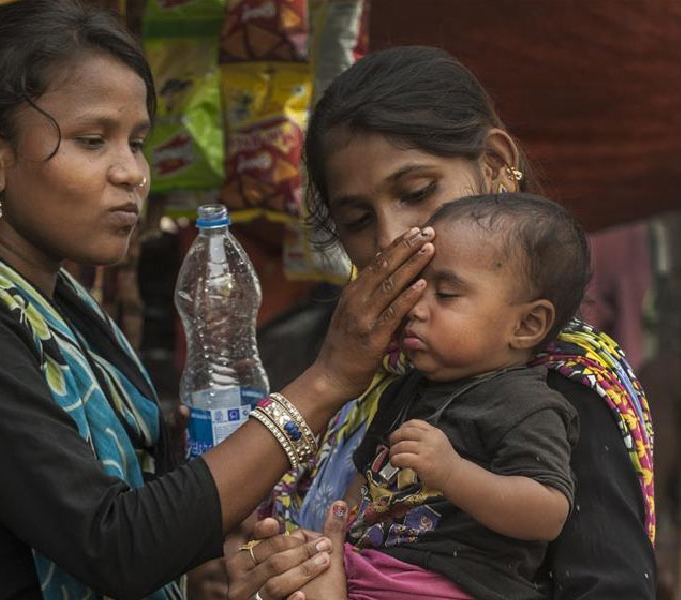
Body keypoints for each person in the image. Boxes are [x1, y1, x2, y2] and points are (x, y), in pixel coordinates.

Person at [0, 3, 435, 599]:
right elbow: (118, 542)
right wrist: (326, 380)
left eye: (138, 140)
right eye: (94, 140)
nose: (132, 172)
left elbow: (142, 522)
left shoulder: (61, 309)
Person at [226, 46, 655, 600]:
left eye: (417, 193)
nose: (390, 239)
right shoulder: (371, 377)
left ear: (497, 166)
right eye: (358, 220)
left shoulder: (564, 384)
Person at [311, 193, 586, 599]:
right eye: (414, 287)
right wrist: (332, 536)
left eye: (445, 294)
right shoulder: (406, 388)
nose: (415, 308)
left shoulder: (527, 406)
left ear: (527, 324)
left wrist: (453, 474)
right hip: (368, 570)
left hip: (451, 584)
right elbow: (365, 479)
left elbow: (547, 512)